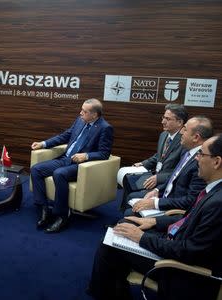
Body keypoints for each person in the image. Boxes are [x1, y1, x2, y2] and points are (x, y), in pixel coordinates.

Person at [88, 134, 222, 300]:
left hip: (182, 269)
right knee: (125, 224)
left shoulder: (218, 203)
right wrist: (153, 221)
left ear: (216, 162)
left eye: (201, 154)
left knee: (110, 247)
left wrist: (142, 238)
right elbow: (187, 220)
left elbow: (190, 252)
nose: (197, 159)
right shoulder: (213, 190)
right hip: (175, 241)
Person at [30, 98, 113, 233]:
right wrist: (44, 143)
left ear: (94, 115)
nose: (80, 113)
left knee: (59, 173)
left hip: (82, 165)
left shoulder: (105, 128)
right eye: (81, 110)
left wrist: (86, 156)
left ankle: (62, 216)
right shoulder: (80, 120)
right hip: (65, 159)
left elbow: (104, 153)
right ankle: (43, 208)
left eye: (84, 111)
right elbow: (65, 136)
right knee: (36, 169)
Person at [125, 116, 212, 216]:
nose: (181, 132)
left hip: (174, 210)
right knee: (132, 198)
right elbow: (174, 176)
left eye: (185, 129)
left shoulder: (201, 162)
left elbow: (191, 200)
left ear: (196, 137)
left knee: (129, 213)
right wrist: (158, 190)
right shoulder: (187, 151)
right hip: (165, 196)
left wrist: (156, 203)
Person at [119, 104, 188, 210]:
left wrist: (158, 178)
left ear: (180, 122)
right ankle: (124, 217)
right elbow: (159, 156)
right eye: (163, 118)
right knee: (129, 180)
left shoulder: (184, 141)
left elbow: (182, 170)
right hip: (154, 175)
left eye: (168, 119)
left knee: (133, 195)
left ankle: (129, 217)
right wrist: (143, 163)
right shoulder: (164, 135)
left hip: (166, 182)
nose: (163, 122)